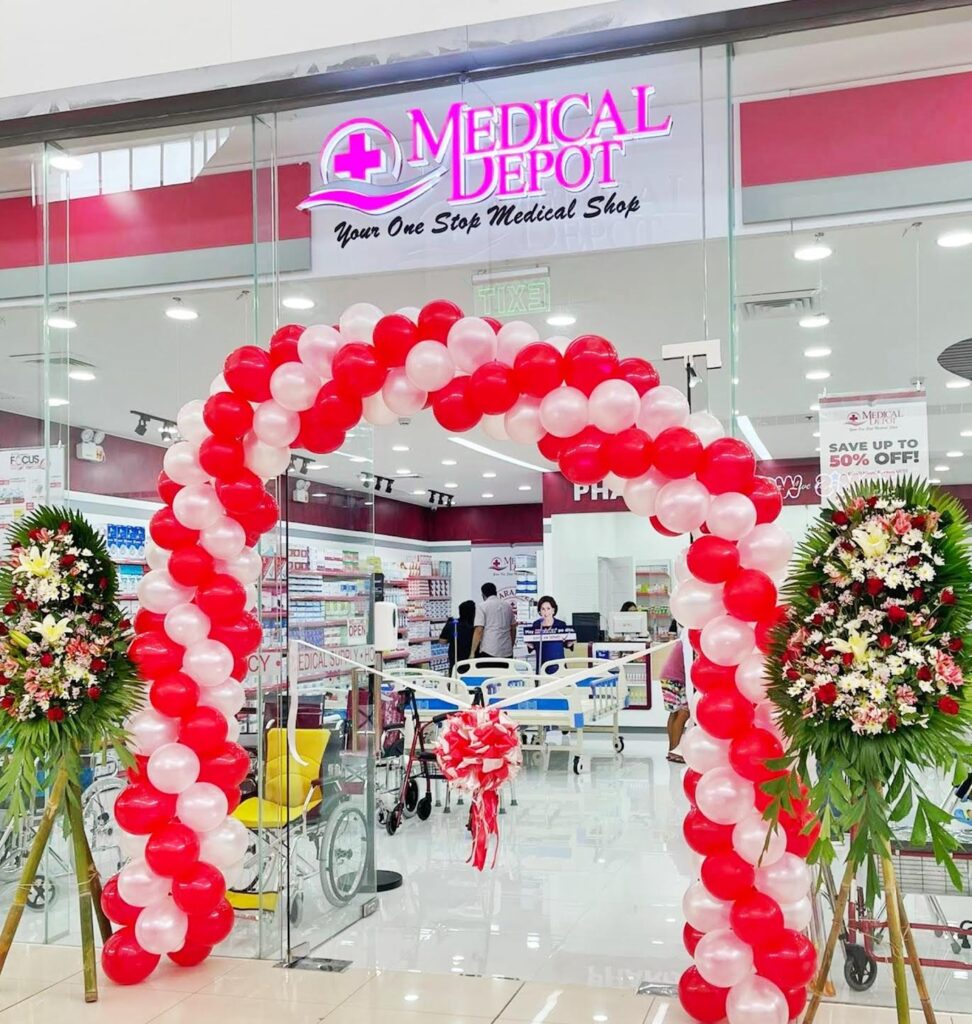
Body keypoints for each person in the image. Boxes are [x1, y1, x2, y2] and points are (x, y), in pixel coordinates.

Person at [660, 624, 690, 764]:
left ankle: (671, 750)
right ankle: (676, 751)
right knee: (684, 713)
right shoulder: (688, 643)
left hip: (669, 677)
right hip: (676, 678)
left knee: (674, 713)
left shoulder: (683, 640)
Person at [527, 595, 573, 674]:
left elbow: (567, 644)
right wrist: (529, 644)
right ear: (539, 611)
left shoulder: (561, 624)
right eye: (543, 609)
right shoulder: (536, 624)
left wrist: (570, 642)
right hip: (542, 666)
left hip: (559, 666)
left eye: (548, 608)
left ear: (553, 610)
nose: (546, 612)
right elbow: (533, 646)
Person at [471, 582, 516, 660]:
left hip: (489, 650)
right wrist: (511, 645)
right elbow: (513, 628)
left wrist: (472, 652)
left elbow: (479, 630)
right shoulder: (507, 606)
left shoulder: (482, 606)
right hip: (507, 651)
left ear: (483, 595)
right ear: (495, 592)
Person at [439, 600, 476, 675]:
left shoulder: (452, 624)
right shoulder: (476, 626)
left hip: (456, 660)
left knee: (455, 679)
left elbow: (442, 641)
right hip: (473, 661)